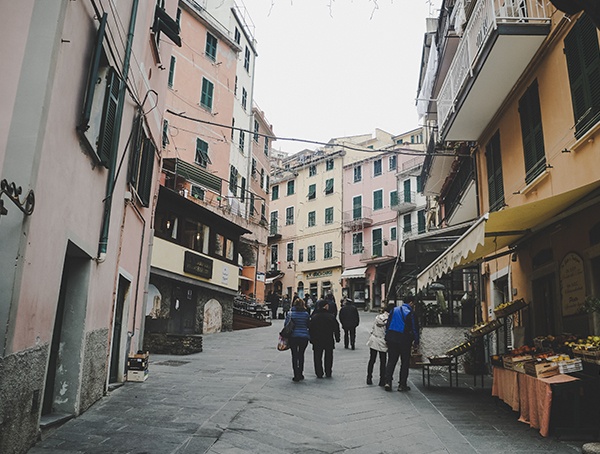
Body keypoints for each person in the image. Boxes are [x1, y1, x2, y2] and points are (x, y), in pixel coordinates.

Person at [384, 295, 419, 392]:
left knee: (391, 360)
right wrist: (416, 341)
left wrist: (387, 337)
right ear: (411, 303)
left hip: (392, 338)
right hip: (404, 339)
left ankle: (388, 382)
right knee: (404, 362)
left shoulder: (394, 310)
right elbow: (414, 328)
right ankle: (402, 384)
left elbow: (388, 324)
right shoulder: (411, 313)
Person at [308, 299, 340, 378]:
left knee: (317, 356)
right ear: (325, 306)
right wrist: (337, 337)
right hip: (328, 339)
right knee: (329, 356)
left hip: (317, 339)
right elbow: (336, 328)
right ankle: (328, 371)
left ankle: (319, 372)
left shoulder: (314, 317)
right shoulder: (331, 316)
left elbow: (310, 328)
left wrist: (311, 339)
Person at [286, 297, 310, 382]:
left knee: (294, 355)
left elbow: (286, 325)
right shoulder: (306, 314)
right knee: (301, 355)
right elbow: (308, 325)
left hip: (293, 337)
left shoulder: (290, 314)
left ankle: (296, 374)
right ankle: (300, 373)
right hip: (304, 337)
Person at [366, 304, 391, 386]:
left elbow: (373, 328)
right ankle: (382, 379)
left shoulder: (378, 317)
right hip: (382, 341)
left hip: (373, 339)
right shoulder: (390, 319)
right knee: (383, 361)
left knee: (372, 360)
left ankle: (369, 377)